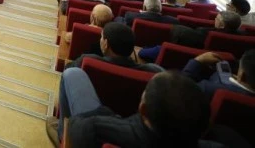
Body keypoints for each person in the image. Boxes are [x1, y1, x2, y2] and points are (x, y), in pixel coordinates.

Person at [56, 69, 246, 148]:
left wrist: (104, 114)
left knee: (73, 73)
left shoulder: (99, 128)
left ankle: (58, 132)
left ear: (143, 109)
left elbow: (76, 128)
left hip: (94, 126)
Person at [49, 22, 164, 143]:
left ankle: (62, 134)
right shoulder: (154, 72)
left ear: (105, 44)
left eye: (101, 37)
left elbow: (67, 68)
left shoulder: (88, 60)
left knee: (70, 73)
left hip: (93, 123)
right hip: (129, 124)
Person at [182, 49, 255, 101]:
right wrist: (222, 68)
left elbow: (182, 90)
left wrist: (197, 61)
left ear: (242, 75)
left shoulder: (207, 88)